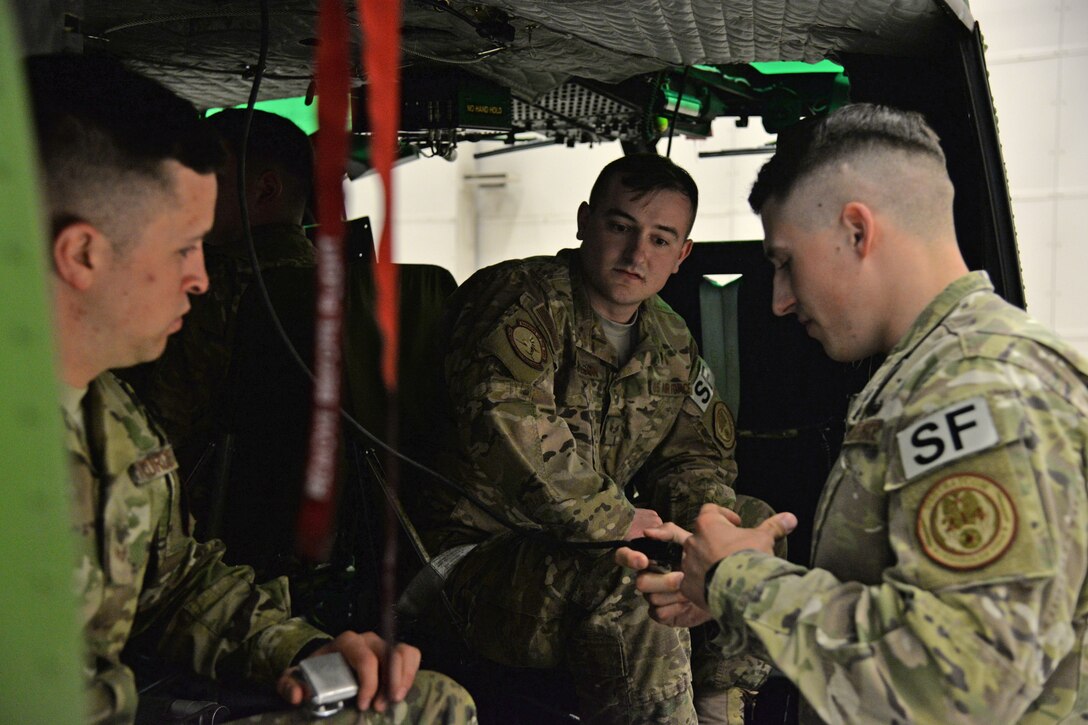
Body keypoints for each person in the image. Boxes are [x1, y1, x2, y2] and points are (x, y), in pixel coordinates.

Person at [29, 53, 476, 724]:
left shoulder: (108, 410)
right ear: (84, 254)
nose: (202, 278)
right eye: (185, 248)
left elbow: (175, 582)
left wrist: (309, 649)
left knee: (426, 701)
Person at [617, 103, 1088, 723]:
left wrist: (738, 580)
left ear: (857, 231)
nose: (780, 301)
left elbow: (956, 684)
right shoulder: (939, 372)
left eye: (786, 262)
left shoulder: (978, 388)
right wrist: (726, 589)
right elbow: (907, 609)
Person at [421, 154, 766, 724]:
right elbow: (510, 430)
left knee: (750, 535)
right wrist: (619, 523)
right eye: (620, 226)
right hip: (472, 563)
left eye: (660, 239)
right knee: (636, 582)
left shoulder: (669, 337)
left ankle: (716, 711)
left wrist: (710, 534)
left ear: (682, 256)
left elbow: (693, 457)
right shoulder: (520, 299)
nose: (636, 255)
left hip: (580, 551)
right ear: (584, 221)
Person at [125, 108, 317, 515]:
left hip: (199, 515)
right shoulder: (341, 282)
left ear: (265, 190)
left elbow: (159, 427)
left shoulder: (211, 284)